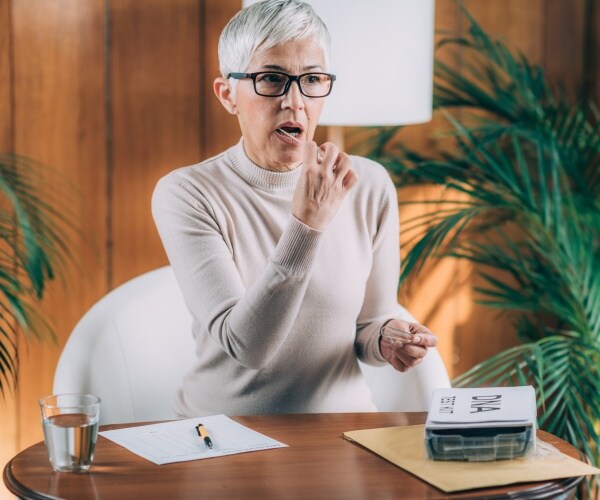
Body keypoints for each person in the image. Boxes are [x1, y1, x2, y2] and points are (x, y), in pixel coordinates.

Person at [152, 0, 439, 418]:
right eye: (271, 78)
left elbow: (368, 327)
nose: (294, 100)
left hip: (342, 429)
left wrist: (387, 338)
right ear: (227, 94)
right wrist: (307, 225)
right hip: (223, 435)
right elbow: (247, 347)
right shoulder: (186, 193)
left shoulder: (368, 184)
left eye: (312, 79)